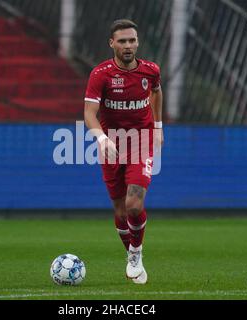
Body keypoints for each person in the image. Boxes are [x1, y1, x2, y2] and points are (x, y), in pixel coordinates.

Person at [84, 19, 163, 284]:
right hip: (111, 146)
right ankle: (130, 254)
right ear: (112, 43)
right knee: (119, 209)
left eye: (132, 40)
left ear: (137, 42)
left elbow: (156, 93)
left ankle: (136, 253)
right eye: (122, 41)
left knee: (133, 203)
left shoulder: (151, 70)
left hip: (141, 141)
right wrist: (101, 138)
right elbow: (89, 113)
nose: (128, 45)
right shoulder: (101, 74)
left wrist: (159, 126)